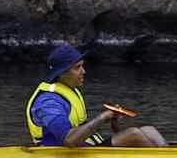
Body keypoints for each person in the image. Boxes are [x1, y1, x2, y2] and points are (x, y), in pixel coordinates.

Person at [27, 42, 167, 148]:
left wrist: (113, 123)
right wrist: (102, 117)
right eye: (77, 68)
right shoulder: (49, 102)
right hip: (59, 156)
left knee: (149, 130)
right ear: (61, 73)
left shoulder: (69, 90)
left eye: (82, 66)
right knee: (134, 134)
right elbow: (69, 140)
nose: (84, 71)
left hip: (87, 150)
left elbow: (82, 133)